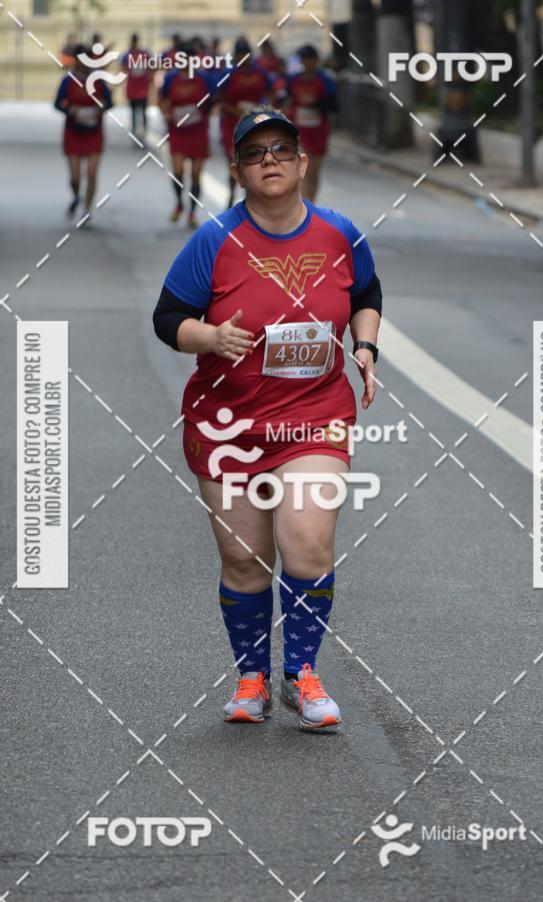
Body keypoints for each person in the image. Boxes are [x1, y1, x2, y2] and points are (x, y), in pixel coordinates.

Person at [153, 107, 382, 729]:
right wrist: (210, 337)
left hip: (313, 415)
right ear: (238, 171)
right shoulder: (214, 240)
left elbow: (366, 294)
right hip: (227, 422)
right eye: (255, 154)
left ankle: (302, 675)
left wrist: (364, 348)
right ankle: (252, 677)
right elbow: (168, 319)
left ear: (303, 162)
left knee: (306, 542)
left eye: (282, 149)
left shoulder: (340, 234)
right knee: (244, 558)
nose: (270, 161)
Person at [54, 45, 113, 221]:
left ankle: (87, 208)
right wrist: (70, 110)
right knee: (75, 177)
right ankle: (76, 195)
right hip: (74, 132)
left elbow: (110, 102)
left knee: (92, 173)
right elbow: (57, 103)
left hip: (94, 132)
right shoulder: (68, 80)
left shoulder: (98, 80)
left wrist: (101, 108)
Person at [159, 43, 214, 228]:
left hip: (198, 131)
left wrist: (203, 110)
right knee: (178, 171)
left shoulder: (204, 78)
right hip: (178, 131)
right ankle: (179, 203)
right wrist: (167, 113)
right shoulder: (171, 78)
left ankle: (192, 212)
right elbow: (162, 100)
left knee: (196, 175)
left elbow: (214, 98)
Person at [217, 37, 273, 207]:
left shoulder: (261, 73)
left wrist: (263, 109)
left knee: (252, 161)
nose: (242, 58)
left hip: (255, 125)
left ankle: (251, 198)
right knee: (235, 162)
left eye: (245, 55)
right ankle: (232, 194)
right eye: (239, 55)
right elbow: (220, 101)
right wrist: (237, 112)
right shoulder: (228, 74)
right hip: (231, 126)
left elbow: (272, 93)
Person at [285, 44, 338, 202]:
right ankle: (304, 205)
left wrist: (316, 103)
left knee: (313, 171)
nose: (307, 62)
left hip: (318, 130)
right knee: (301, 168)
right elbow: (287, 100)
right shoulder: (293, 80)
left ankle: (311, 202)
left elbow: (334, 105)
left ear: (315, 60)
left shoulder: (325, 80)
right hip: (299, 130)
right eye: (304, 59)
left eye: (310, 59)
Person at [121, 34, 153, 139]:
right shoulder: (130, 55)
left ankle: (141, 131)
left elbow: (151, 67)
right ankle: (138, 131)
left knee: (140, 111)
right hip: (134, 87)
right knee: (137, 111)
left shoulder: (142, 54)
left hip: (141, 87)